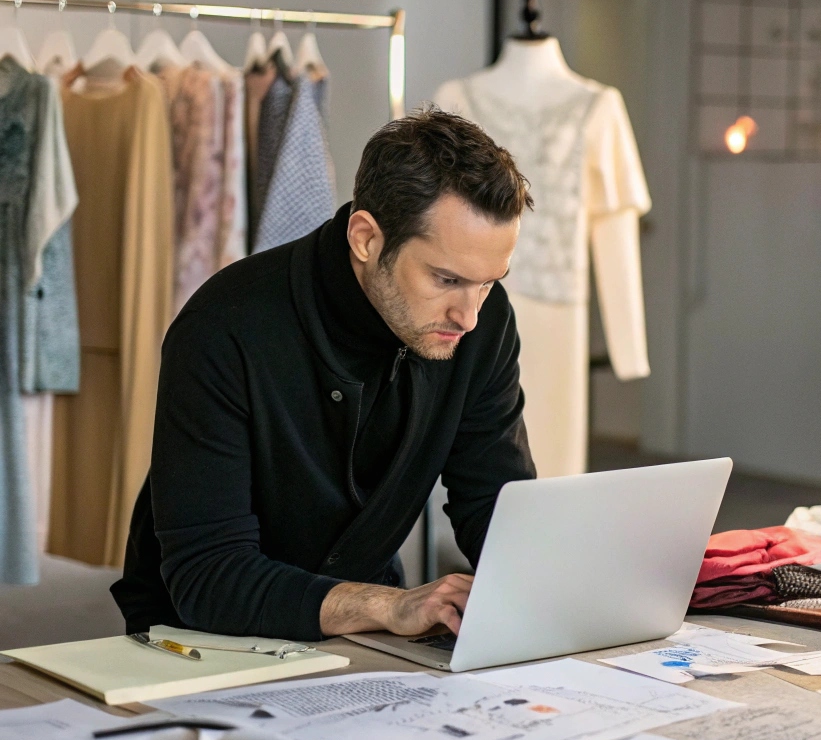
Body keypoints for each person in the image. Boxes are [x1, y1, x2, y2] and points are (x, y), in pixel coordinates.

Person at [111, 108, 536, 641]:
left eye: (489, 283)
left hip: (365, 628)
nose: (469, 315)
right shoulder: (223, 329)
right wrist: (386, 606)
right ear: (366, 238)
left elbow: (496, 505)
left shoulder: (482, 322)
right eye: (447, 278)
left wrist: (582, 580)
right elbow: (208, 575)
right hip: (202, 638)